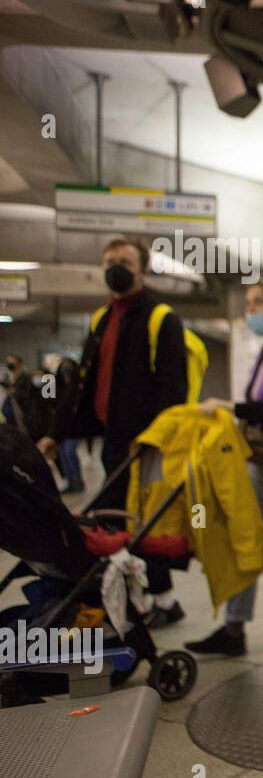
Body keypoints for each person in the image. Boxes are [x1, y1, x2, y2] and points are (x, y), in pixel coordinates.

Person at [37, 237, 188, 627]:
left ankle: (159, 601)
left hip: (143, 444)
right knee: (121, 520)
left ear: (143, 268)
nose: (114, 268)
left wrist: (155, 442)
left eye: (123, 261)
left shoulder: (161, 318)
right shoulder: (102, 319)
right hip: (111, 437)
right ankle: (151, 600)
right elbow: (81, 386)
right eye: (109, 261)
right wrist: (57, 433)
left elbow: (174, 389)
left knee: (137, 522)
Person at [187, 278, 263, 657]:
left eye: (257, 303)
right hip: (261, 460)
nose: (250, 310)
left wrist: (231, 407)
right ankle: (234, 629)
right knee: (244, 537)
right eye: (249, 303)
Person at [54, 358, 85, 494]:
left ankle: (77, 481)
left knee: (69, 452)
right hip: (60, 427)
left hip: (74, 426)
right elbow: (45, 398)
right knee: (63, 455)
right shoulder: (54, 382)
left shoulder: (78, 384)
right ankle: (70, 482)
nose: (65, 369)